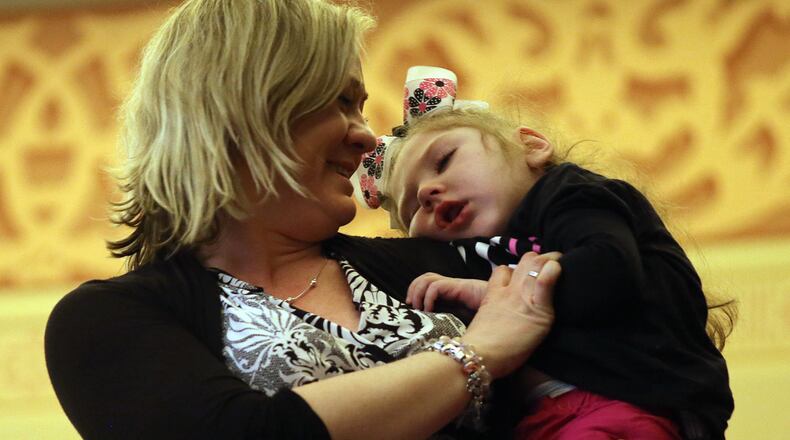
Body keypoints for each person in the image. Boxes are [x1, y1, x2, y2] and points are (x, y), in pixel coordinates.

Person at [43, 3, 562, 439]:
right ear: (244, 106)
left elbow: (609, 258)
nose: (366, 137)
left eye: (361, 110)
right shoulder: (105, 322)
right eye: (340, 102)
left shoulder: (428, 262)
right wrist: (477, 354)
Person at [353, 66, 735, 439]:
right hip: (547, 419)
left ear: (531, 147)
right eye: (411, 211)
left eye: (444, 160)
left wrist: (491, 295)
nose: (426, 192)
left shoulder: (571, 194)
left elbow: (608, 269)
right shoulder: (471, 255)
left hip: (625, 400)